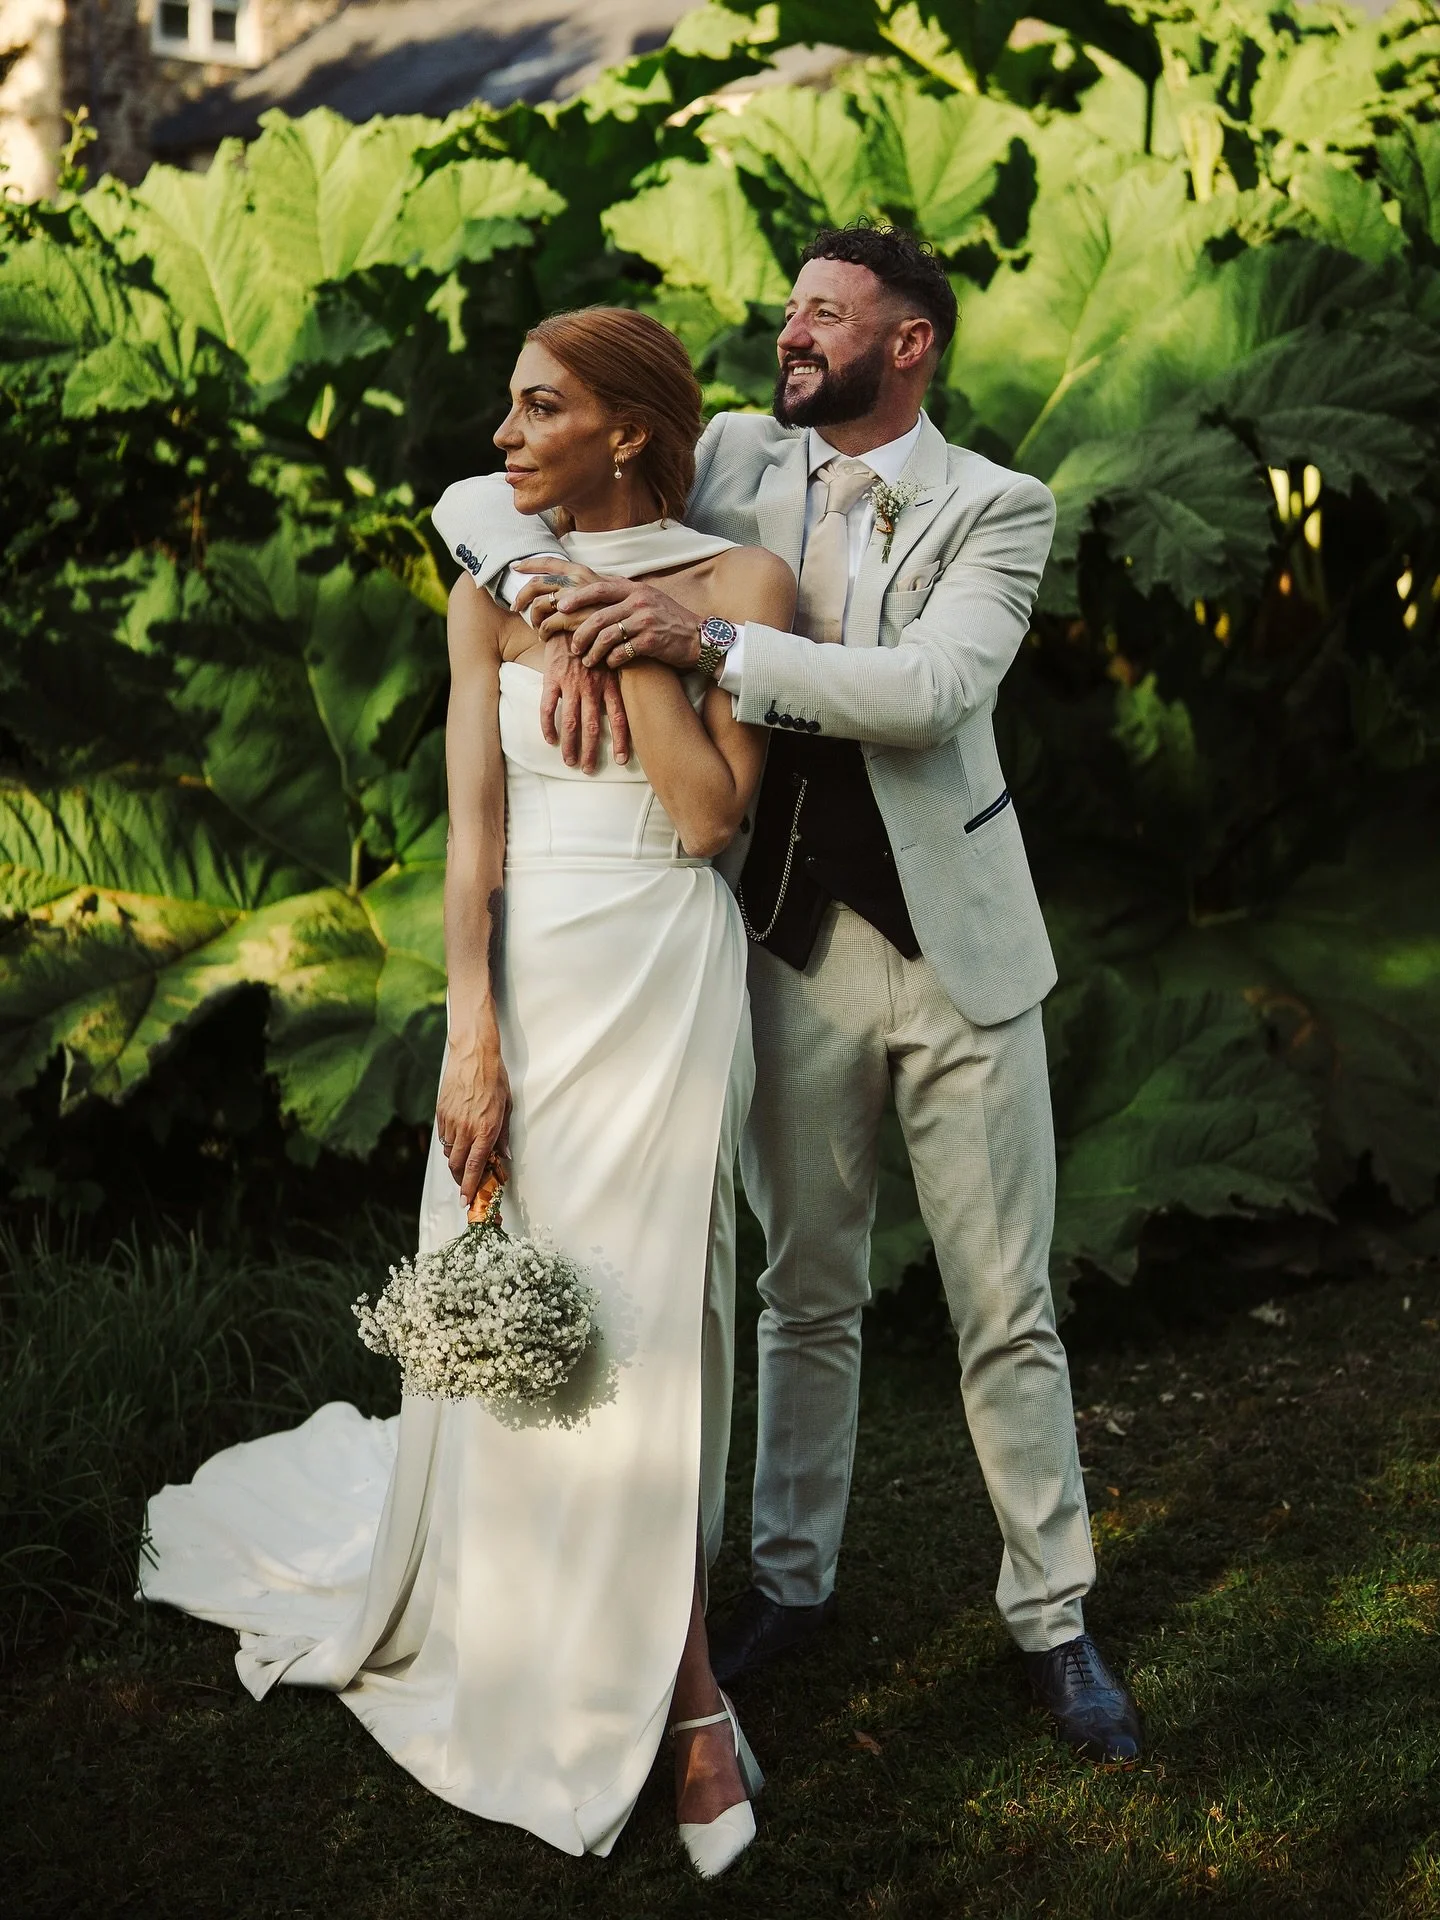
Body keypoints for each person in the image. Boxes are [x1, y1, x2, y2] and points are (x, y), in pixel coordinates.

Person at [432, 224, 1143, 1764]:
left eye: (829, 314)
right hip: (779, 947)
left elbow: (930, 693)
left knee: (1003, 1307)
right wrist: (549, 588)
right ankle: (792, 1587)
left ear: (911, 346)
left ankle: (1056, 1619)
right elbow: (473, 492)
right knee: (800, 1294)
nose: (793, 331)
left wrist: (701, 638)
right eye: (792, 309)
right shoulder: (739, 453)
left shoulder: (995, 508)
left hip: (962, 959)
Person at [139, 307, 797, 1877]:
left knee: (656, 1328)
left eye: (536, 408)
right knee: (523, 1314)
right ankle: (582, 1646)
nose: (502, 438)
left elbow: (711, 822)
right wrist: (470, 1034)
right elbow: (475, 836)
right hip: (533, 986)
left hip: (664, 968)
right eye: (509, 412)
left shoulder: (743, 591)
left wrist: (613, 632)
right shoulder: (482, 584)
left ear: (626, 430)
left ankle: (686, 1693)